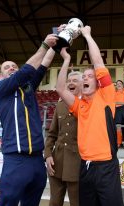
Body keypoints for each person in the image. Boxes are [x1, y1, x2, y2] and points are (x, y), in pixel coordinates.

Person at [56, 25, 124, 206]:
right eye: (83, 76)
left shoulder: (106, 96)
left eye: (90, 76)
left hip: (106, 167)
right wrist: (66, 59)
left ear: (99, 82)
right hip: (84, 167)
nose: (85, 78)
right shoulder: (80, 106)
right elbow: (60, 89)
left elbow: (98, 62)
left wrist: (86, 35)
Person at [0, 34, 58, 206]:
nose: (12, 68)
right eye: (7, 68)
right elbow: (26, 71)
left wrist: (59, 42)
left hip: (37, 159)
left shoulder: (27, 88)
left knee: (32, 203)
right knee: (8, 202)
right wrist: (44, 45)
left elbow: (42, 66)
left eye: (14, 66)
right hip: (16, 158)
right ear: (1, 75)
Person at [44, 70, 82, 206]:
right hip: (57, 162)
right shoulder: (60, 105)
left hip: (77, 163)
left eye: (75, 81)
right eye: (69, 81)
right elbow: (52, 133)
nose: (71, 83)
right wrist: (48, 154)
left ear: (82, 84)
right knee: (54, 202)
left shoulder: (87, 105)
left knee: (77, 202)